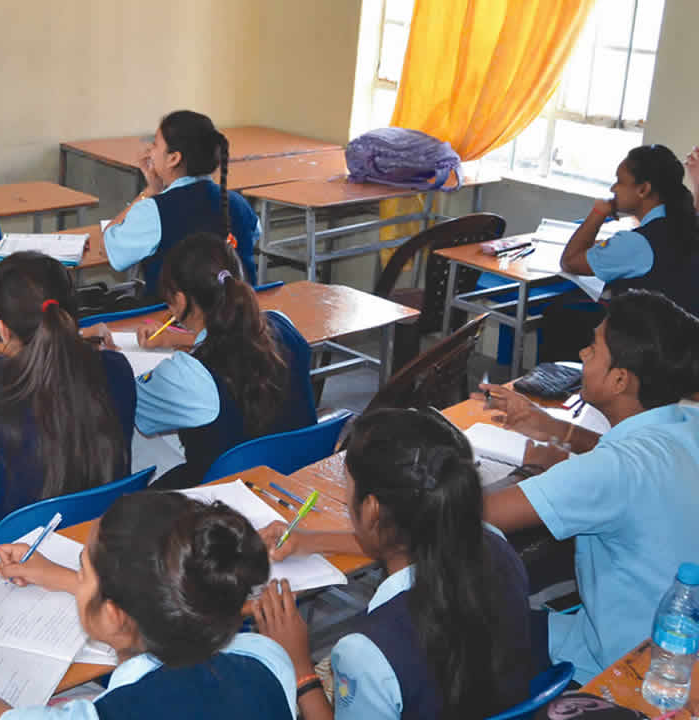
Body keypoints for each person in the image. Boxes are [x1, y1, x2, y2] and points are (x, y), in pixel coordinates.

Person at [0, 492, 298, 719]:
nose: (76, 576)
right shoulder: (265, 657)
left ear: (115, 615)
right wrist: (59, 576)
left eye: (82, 569)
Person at [256, 408, 532, 719]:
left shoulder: (366, 651)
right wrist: (311, 541)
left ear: (372, 509)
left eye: (347, 486)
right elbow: (405, 540)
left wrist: (299, 668)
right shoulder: (495, 543)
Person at [485, 289, 699, 683]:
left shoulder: (611, 471)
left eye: (594, 348)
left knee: (466, 623)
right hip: (675, 645)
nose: (583, 353)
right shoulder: (687, 423)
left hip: (623, 667)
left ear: (619, 380)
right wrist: (557, 430)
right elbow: (630, 460)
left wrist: (530, 470)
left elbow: (475, 513)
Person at [0, 251, 136, 556]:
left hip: (10, 559)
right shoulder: (116, 369)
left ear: (3, 328)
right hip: (101, 545)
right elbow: (53, 378)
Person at [122, 232, 316, 489]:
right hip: (294, 481)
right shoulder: (282, 325)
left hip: (222, 497)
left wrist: (112, 359)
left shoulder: (191, 374)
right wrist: (181, 339)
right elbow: (239, 340)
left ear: (180, 300)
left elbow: (130, 402)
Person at [542, 144, 699, 360]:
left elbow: (570, 261)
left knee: (560, 313)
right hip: (683, 343)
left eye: (619, 181)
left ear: (643, 189)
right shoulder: (688, 223)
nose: (613, 189)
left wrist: (599, 212)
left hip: (648, 348)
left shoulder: (637, 243)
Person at [102, 110, 260, 297]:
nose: (150, 151)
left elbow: (113, 248)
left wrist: (150, 191)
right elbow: (252, 236)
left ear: (173, 158)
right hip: (238, 310)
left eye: (155, 145)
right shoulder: (238, 202)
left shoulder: (154, 211)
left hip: (173, 314)